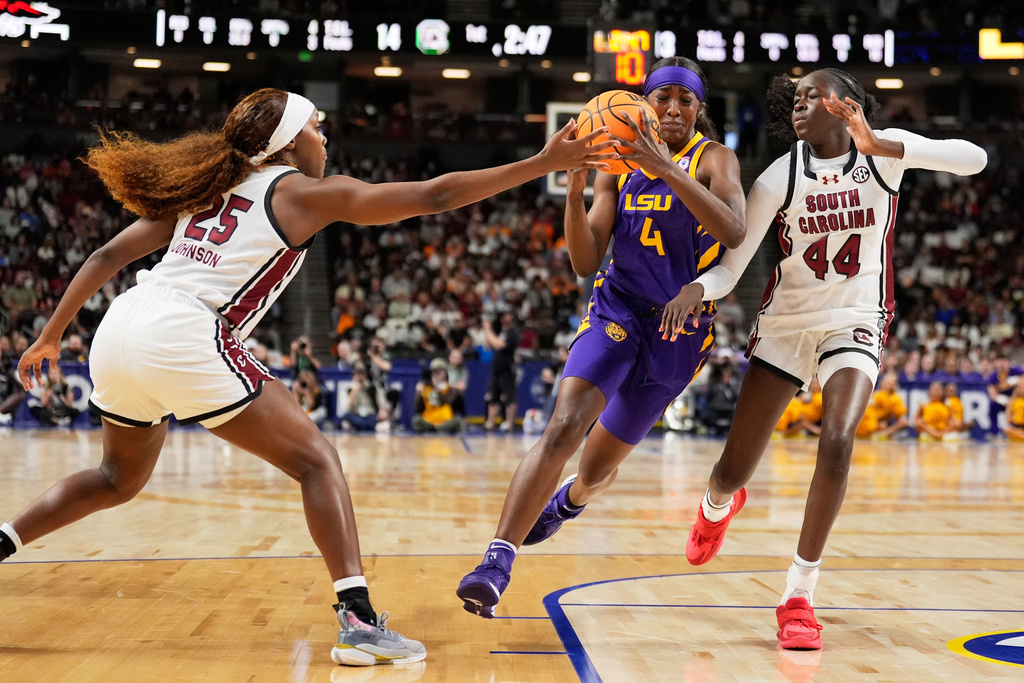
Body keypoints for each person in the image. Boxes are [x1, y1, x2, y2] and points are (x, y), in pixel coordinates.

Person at [4, 87, 611, 667]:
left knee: (115, 476)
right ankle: (359, 622)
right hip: (185, 328)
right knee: (317, 460)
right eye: (317, 128)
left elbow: (107, 257)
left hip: (121, 324)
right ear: (290, 143)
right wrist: (540, 162)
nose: (326, 139)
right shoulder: (298, 194)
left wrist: (51, 334)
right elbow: (435, 196)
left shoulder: (204, 189)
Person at [679, 68, 986, 650]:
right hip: (787, 325)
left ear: (844, 105)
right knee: (733, 467)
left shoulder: (882, 155)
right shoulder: (781, 173)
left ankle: (799, 595)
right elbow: (731, 268)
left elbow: (974, 159)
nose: (796, 107)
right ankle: (718, 503)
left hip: (856, 320)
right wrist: (700, 289)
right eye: (792, 100)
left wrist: (878, 142)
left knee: (839, 438)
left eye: (809, 97)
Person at [457, 57, 746, 618]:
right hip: (618, 308)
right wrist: (574, 191)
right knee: (564, 425)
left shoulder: (715, 159)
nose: (672, 108)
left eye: (685, 100)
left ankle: (571, 501)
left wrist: (666, 169)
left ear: (699, 110)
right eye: (662, 97)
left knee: (595, 467)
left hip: (680, 334)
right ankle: (496, 562)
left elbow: (733, 230)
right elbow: (584, 263)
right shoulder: (617, 166)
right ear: (644, 103)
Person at [482, 309, 521, 432]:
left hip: (507, 369)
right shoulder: (500, 331)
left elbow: (499, 345)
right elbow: (487, 346)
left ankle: (510, 424)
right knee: (493, 397)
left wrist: (487, 329)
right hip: (496, 369)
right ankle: (490, 422)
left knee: (509, 397)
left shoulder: (513, 332)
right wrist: (489, 333)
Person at [411, 358, 465, 434]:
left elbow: (447, 401)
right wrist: (418, 394)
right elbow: (417, 408)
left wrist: (437, 390)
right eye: (434, 371)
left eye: (439, 371)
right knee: (416, 420)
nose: (437, 374)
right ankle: (435, 429)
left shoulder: (450, 387)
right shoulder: (426, 388)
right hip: (429, 420)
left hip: (445, 421)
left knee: (459, 421)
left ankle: (437, 429)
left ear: (445, 372)